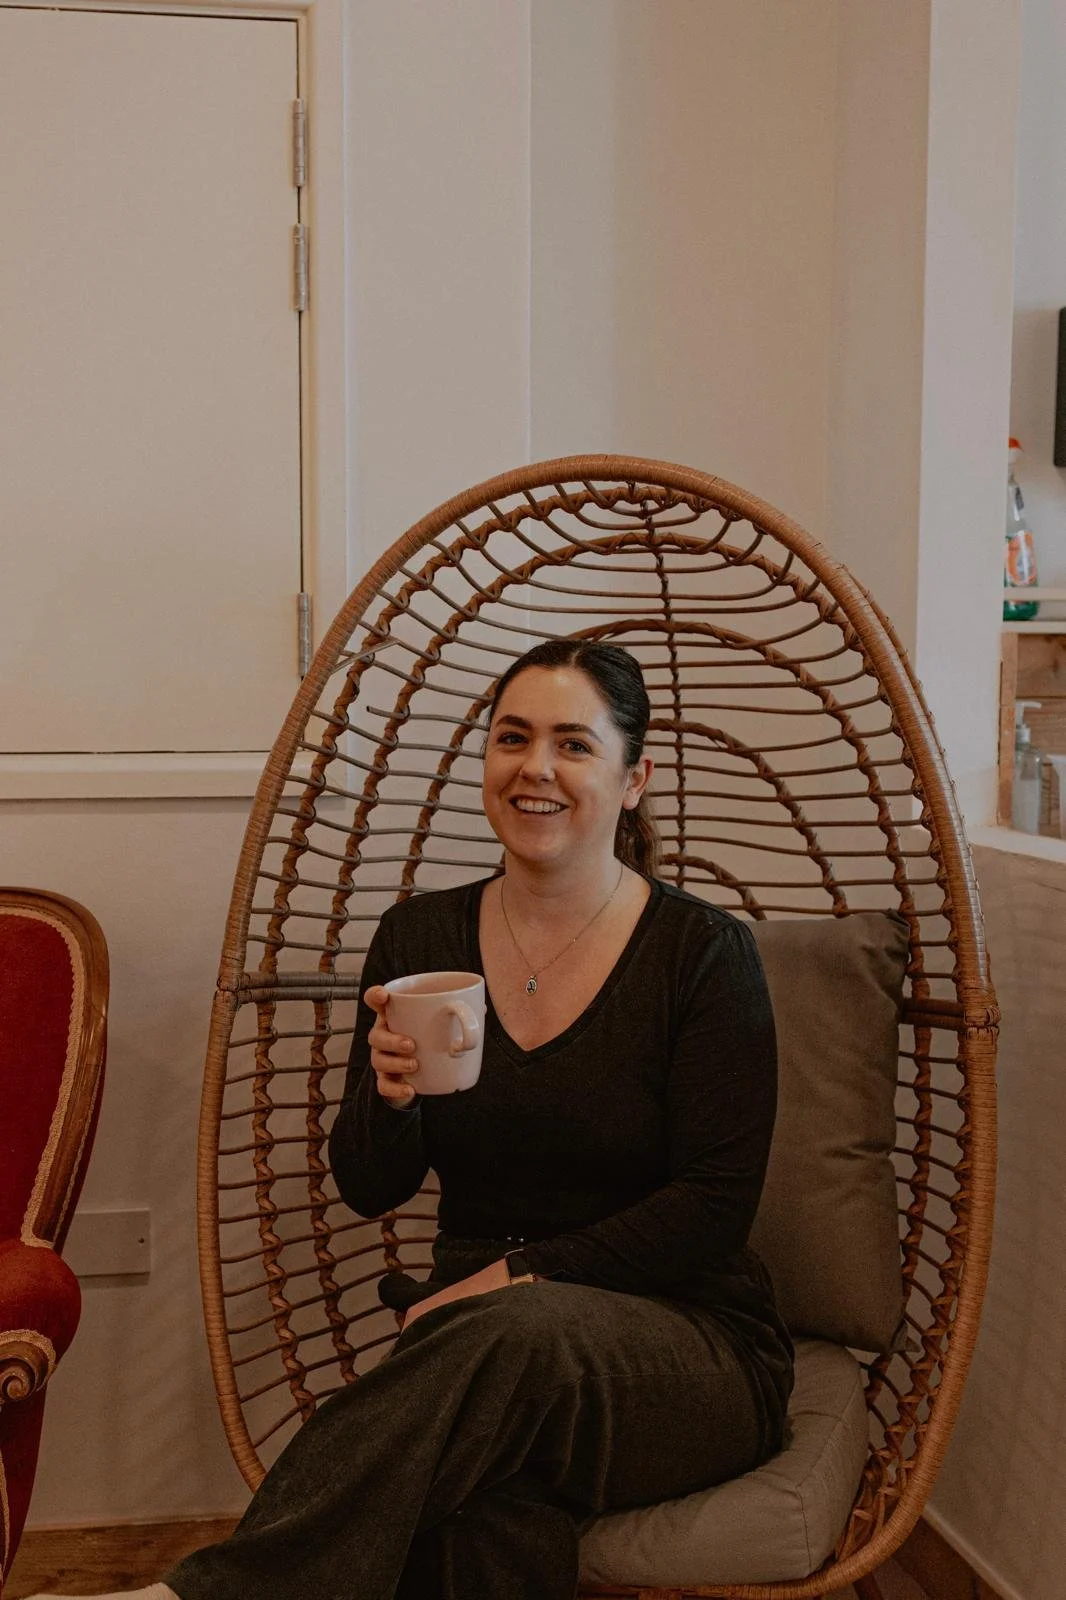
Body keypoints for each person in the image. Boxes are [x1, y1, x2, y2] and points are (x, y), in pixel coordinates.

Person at [30, 640, 793, 1600]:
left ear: (634, 779)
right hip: (477, 1343)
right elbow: (369, 1186)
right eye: (512, 738)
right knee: (481, 1509)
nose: (536, 768)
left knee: (518, 1333)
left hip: (689, 1346)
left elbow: (714, 1208)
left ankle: (196, 1598)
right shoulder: (420, 937)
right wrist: (388, 1101)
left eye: (573, 744)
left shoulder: (703, 954)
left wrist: (515, 1277)